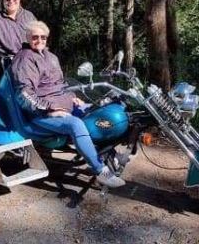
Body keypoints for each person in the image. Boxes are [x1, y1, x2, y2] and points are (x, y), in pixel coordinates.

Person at [11, 21, 125, 188]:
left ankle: (110, 154)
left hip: (64, 105)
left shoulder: (51, 57)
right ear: (28, 38)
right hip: (40, 114)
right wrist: (49, 109)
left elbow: (61, 85)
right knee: (76, 124)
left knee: (99, 113)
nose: (39, 40)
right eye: (35, 37)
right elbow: (24, 93)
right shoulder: (24, 60)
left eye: (43, 37)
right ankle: (101, 171)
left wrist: (73, 97)